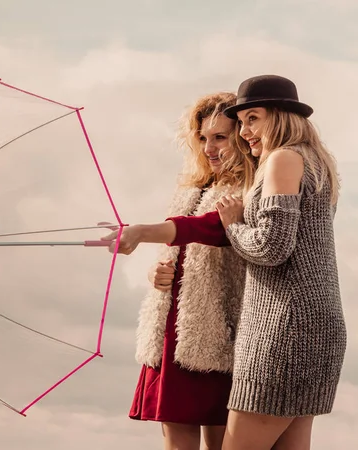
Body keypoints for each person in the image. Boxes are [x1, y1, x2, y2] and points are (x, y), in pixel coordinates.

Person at [104, 92, 255, 450]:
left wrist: (141, 231)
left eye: (220, 137)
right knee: (176, 441)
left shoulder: (251, 188)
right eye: (203, 138)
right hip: (172, 329)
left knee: (224, 439)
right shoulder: (192, 188)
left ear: (242, 136)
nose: (209, 147)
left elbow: (212, 229)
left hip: (221, 327)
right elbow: (180, 250)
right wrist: (157, 274)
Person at [204, 74, 346, 450]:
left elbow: (272, 247)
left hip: (283, 327)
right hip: (318, 323)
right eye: (242, 122)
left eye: (254, 118)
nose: (244, 131)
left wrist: (233, 225)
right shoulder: (318, 162)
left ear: (281, 116)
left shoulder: (283, 159)